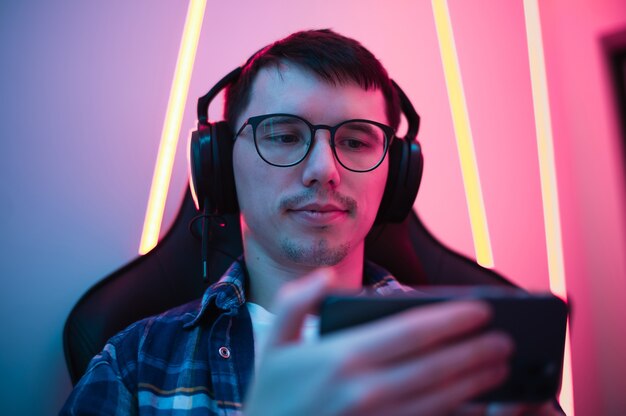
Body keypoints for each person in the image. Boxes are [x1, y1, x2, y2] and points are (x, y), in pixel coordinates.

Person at [61, 29, 561, 415]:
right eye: (282, 136)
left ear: (398, 171)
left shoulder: (474, 355)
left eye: (356, 140)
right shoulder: (133, 366)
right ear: (218, 166)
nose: (324, 169)